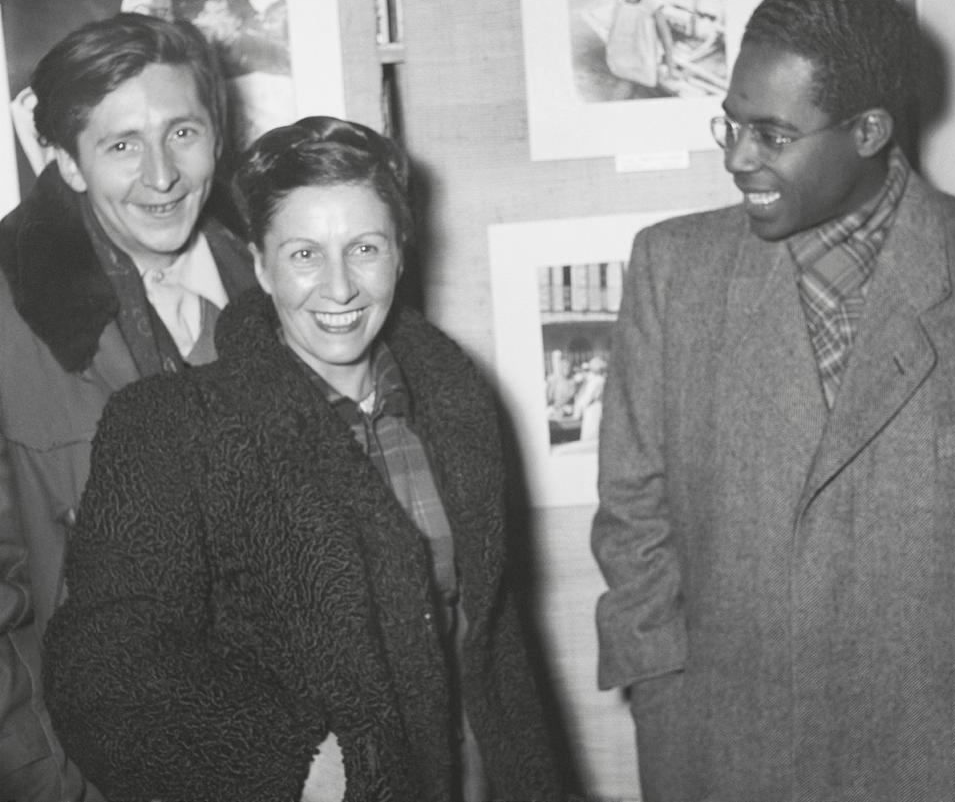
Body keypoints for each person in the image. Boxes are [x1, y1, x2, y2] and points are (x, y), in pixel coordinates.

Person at [590, 0, 955, 802]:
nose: (736, 156)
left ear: (868, 130)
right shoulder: (673, 271)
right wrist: (665, 708)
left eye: (771, 133)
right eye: (730, 122)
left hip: (947, 759)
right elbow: (632, 518)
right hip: (724, 754)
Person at [42, 116, 565, 802]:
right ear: (260, 264)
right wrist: (292, 765)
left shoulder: (455, 407)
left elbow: (494, 642)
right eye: (305, 254)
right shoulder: (174, 427)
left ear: (402, 251)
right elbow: (101, 675)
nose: (340, 287)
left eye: (366, 247)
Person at [0, 13, 256, 801]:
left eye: (182, 132)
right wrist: (50, 779)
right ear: (68, 166)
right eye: (121, 145)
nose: (162, 175)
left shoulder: (289, 287)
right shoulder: (10, 320)